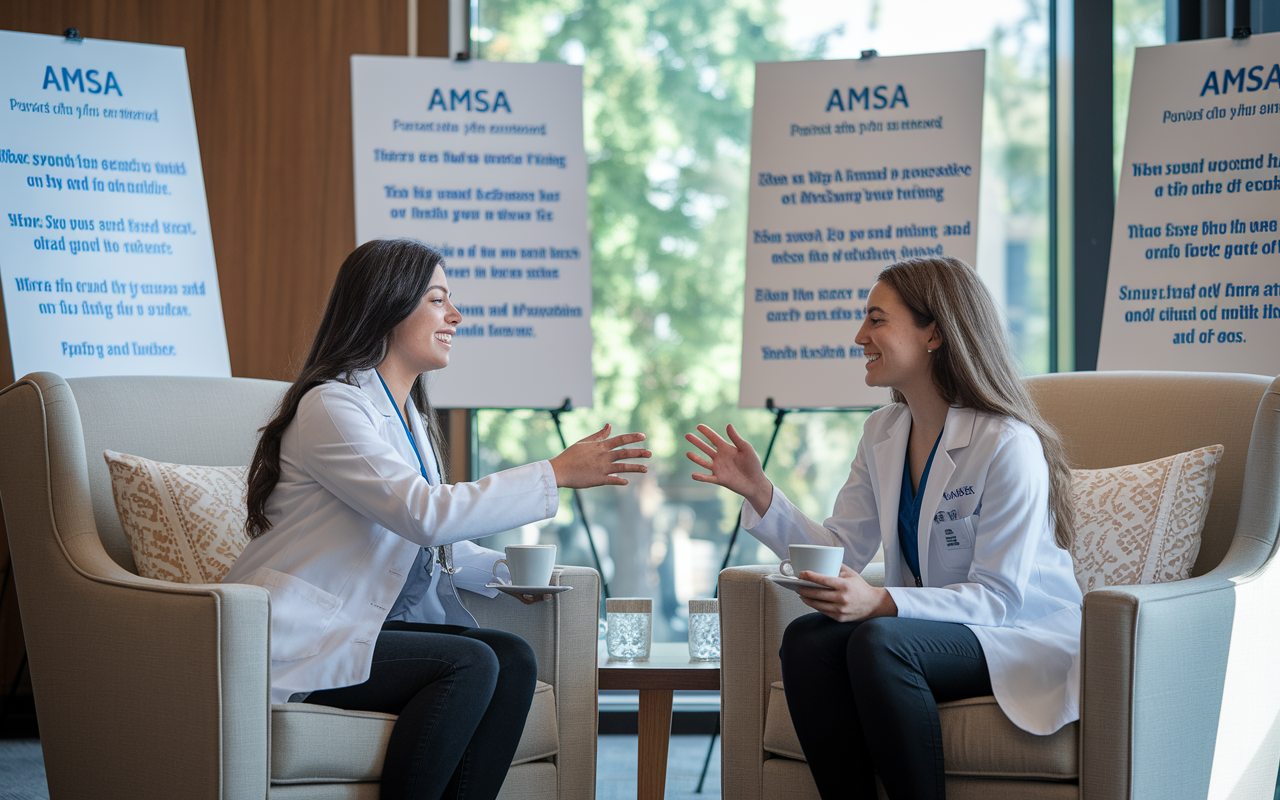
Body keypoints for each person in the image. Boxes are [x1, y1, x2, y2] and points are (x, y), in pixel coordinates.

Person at [224, 238, 650, 800]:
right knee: (470, 662)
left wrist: (505, 574)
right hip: (307, 634)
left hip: (369, 629)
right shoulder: (332, 405)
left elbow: (425, 545)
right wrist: (554, 473)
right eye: (436, 299)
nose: (456, 315)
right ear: (387, 304)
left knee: (513, 658)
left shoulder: (410, 419)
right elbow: (423, 515)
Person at [684, 256, 1083, 799]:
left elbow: (1000, 600)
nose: (858, 336)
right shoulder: (883, 431)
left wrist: (879, 602)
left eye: (876, 320)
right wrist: (761, 493)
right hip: (931, 630)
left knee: (878, 641)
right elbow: (838, 549)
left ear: (935, 333)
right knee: (807, 640)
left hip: (1020, 634)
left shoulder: (1007, 443)